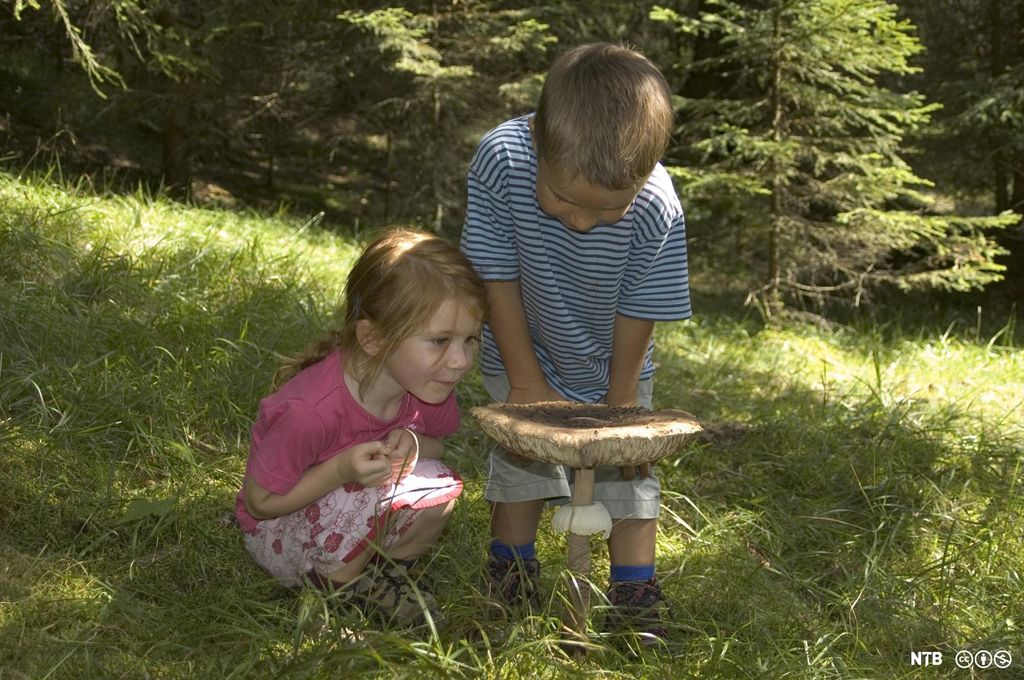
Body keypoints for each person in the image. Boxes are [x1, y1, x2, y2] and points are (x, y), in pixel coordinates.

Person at [460, 43, 691, 643]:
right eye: (563, 199)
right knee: (521, 465)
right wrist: (526, 380)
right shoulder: (502, 159)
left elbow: (641, 307)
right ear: (539, 140)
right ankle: (511, 578)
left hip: (614, 364)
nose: (582, 223)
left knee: (627, 477)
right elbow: (495, 275)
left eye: (608, 210)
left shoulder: (656, 202)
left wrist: (621, 405)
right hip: (521, 347)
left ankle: (634, 596)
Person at [236, 227, 486, 628]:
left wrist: (415, 444)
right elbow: (259, 503)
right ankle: (335, 592)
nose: (461, 361)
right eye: (440, 340)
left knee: (438, 483)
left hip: (346, 516)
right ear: (373, 338)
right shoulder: (311, 411)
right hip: (276, 531)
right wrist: (340, 470)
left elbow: (437, 446)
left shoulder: (428, 387)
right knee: (371, 493)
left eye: (469, 339)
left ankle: (387, 575)